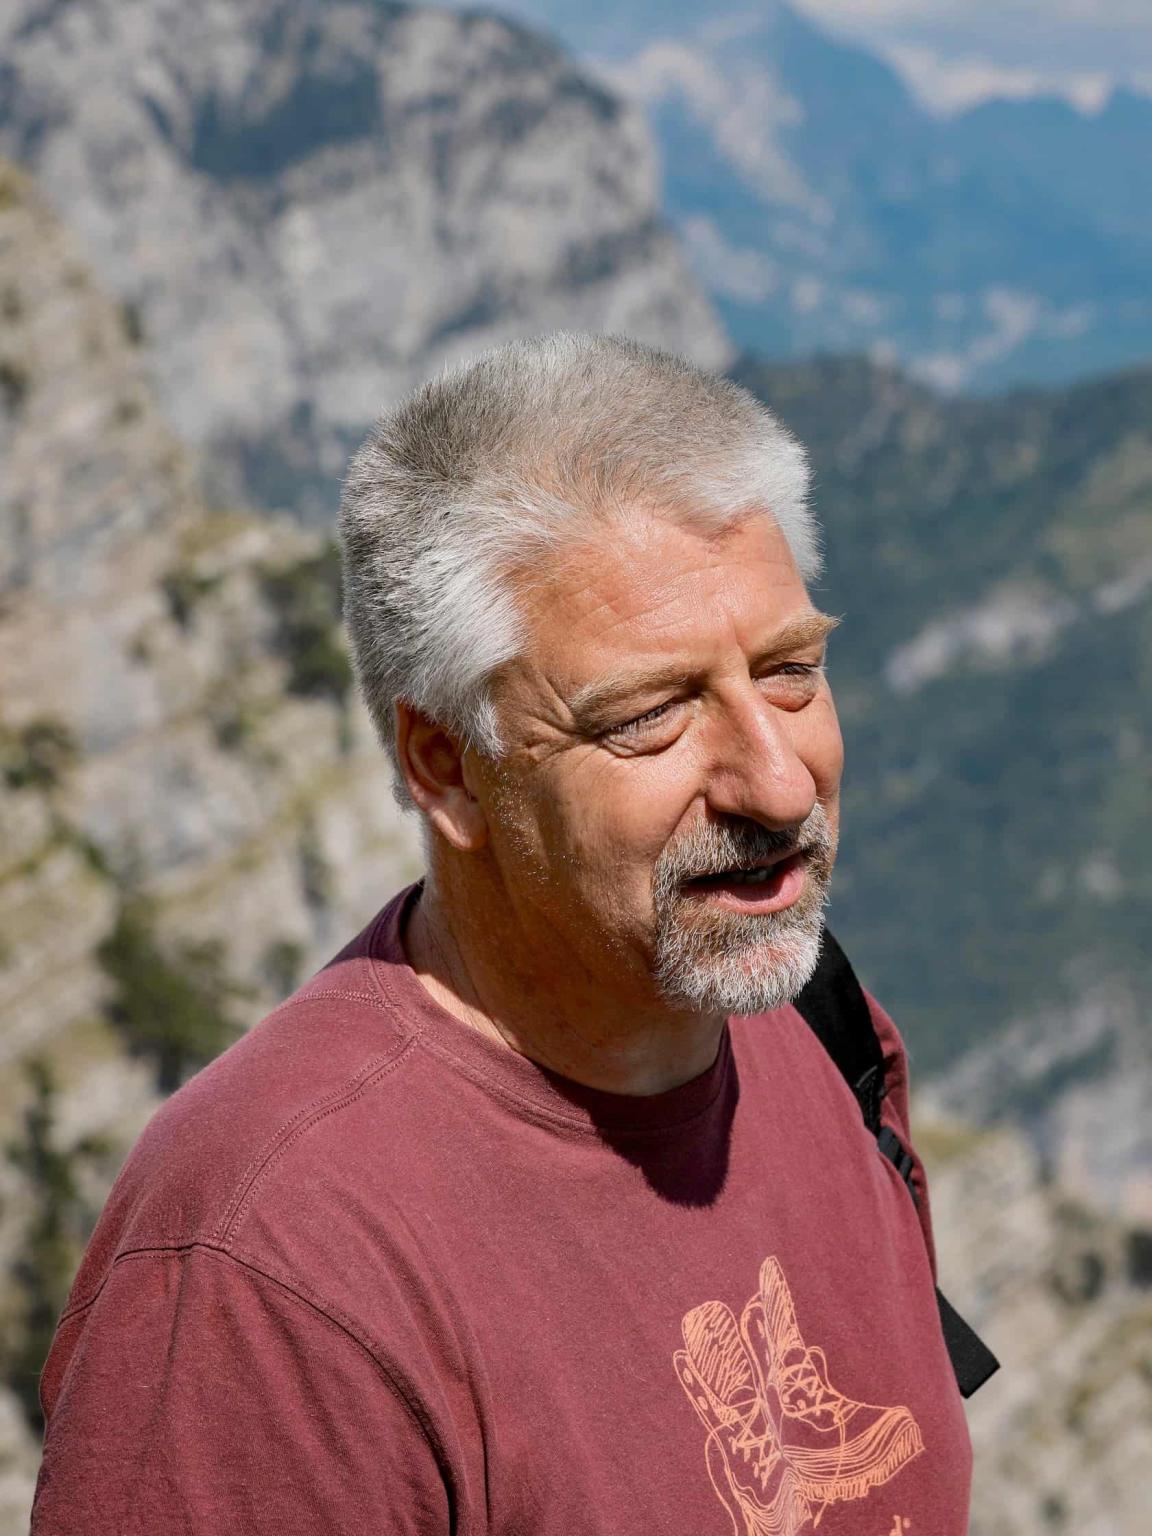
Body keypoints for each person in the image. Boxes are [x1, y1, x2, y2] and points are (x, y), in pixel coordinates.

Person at [32, 334, 972, 1535]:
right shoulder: (267, 1271)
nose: (781, 785)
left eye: (791, 670)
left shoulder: (818, 1027)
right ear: (446, 767)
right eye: (650, 714)